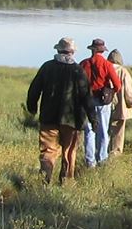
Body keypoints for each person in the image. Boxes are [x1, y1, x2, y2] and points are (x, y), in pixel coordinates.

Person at [24, 36, 88, 184]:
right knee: (69, 152)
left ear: (58, 50)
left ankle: (44, 181)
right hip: (72, 120)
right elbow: (86, 96)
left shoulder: (47, 67)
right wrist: (92, 118)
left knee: (48, 152)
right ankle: (66, 182)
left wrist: (32, 107)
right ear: (72, 52)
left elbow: (34, 89)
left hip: (48, 117)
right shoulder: (78, 70)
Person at [78, 37, 120, 167]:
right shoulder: (107, 65)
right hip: (102, 102)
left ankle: (90, 161)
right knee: (102, 130)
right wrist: (111, 92)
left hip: (87, 101)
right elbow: (118, 85)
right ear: (102, 51)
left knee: (89, 131)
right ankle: (102, 159)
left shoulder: (84, 64)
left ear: (92, 50)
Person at [106, 48, 132, 157]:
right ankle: (115, 154)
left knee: (105, 131)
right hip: (120, 108)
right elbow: (129, 92)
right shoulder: (123, 71)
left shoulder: (105, 69)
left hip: (105, 106)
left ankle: (103, 153)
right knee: (118, 133)